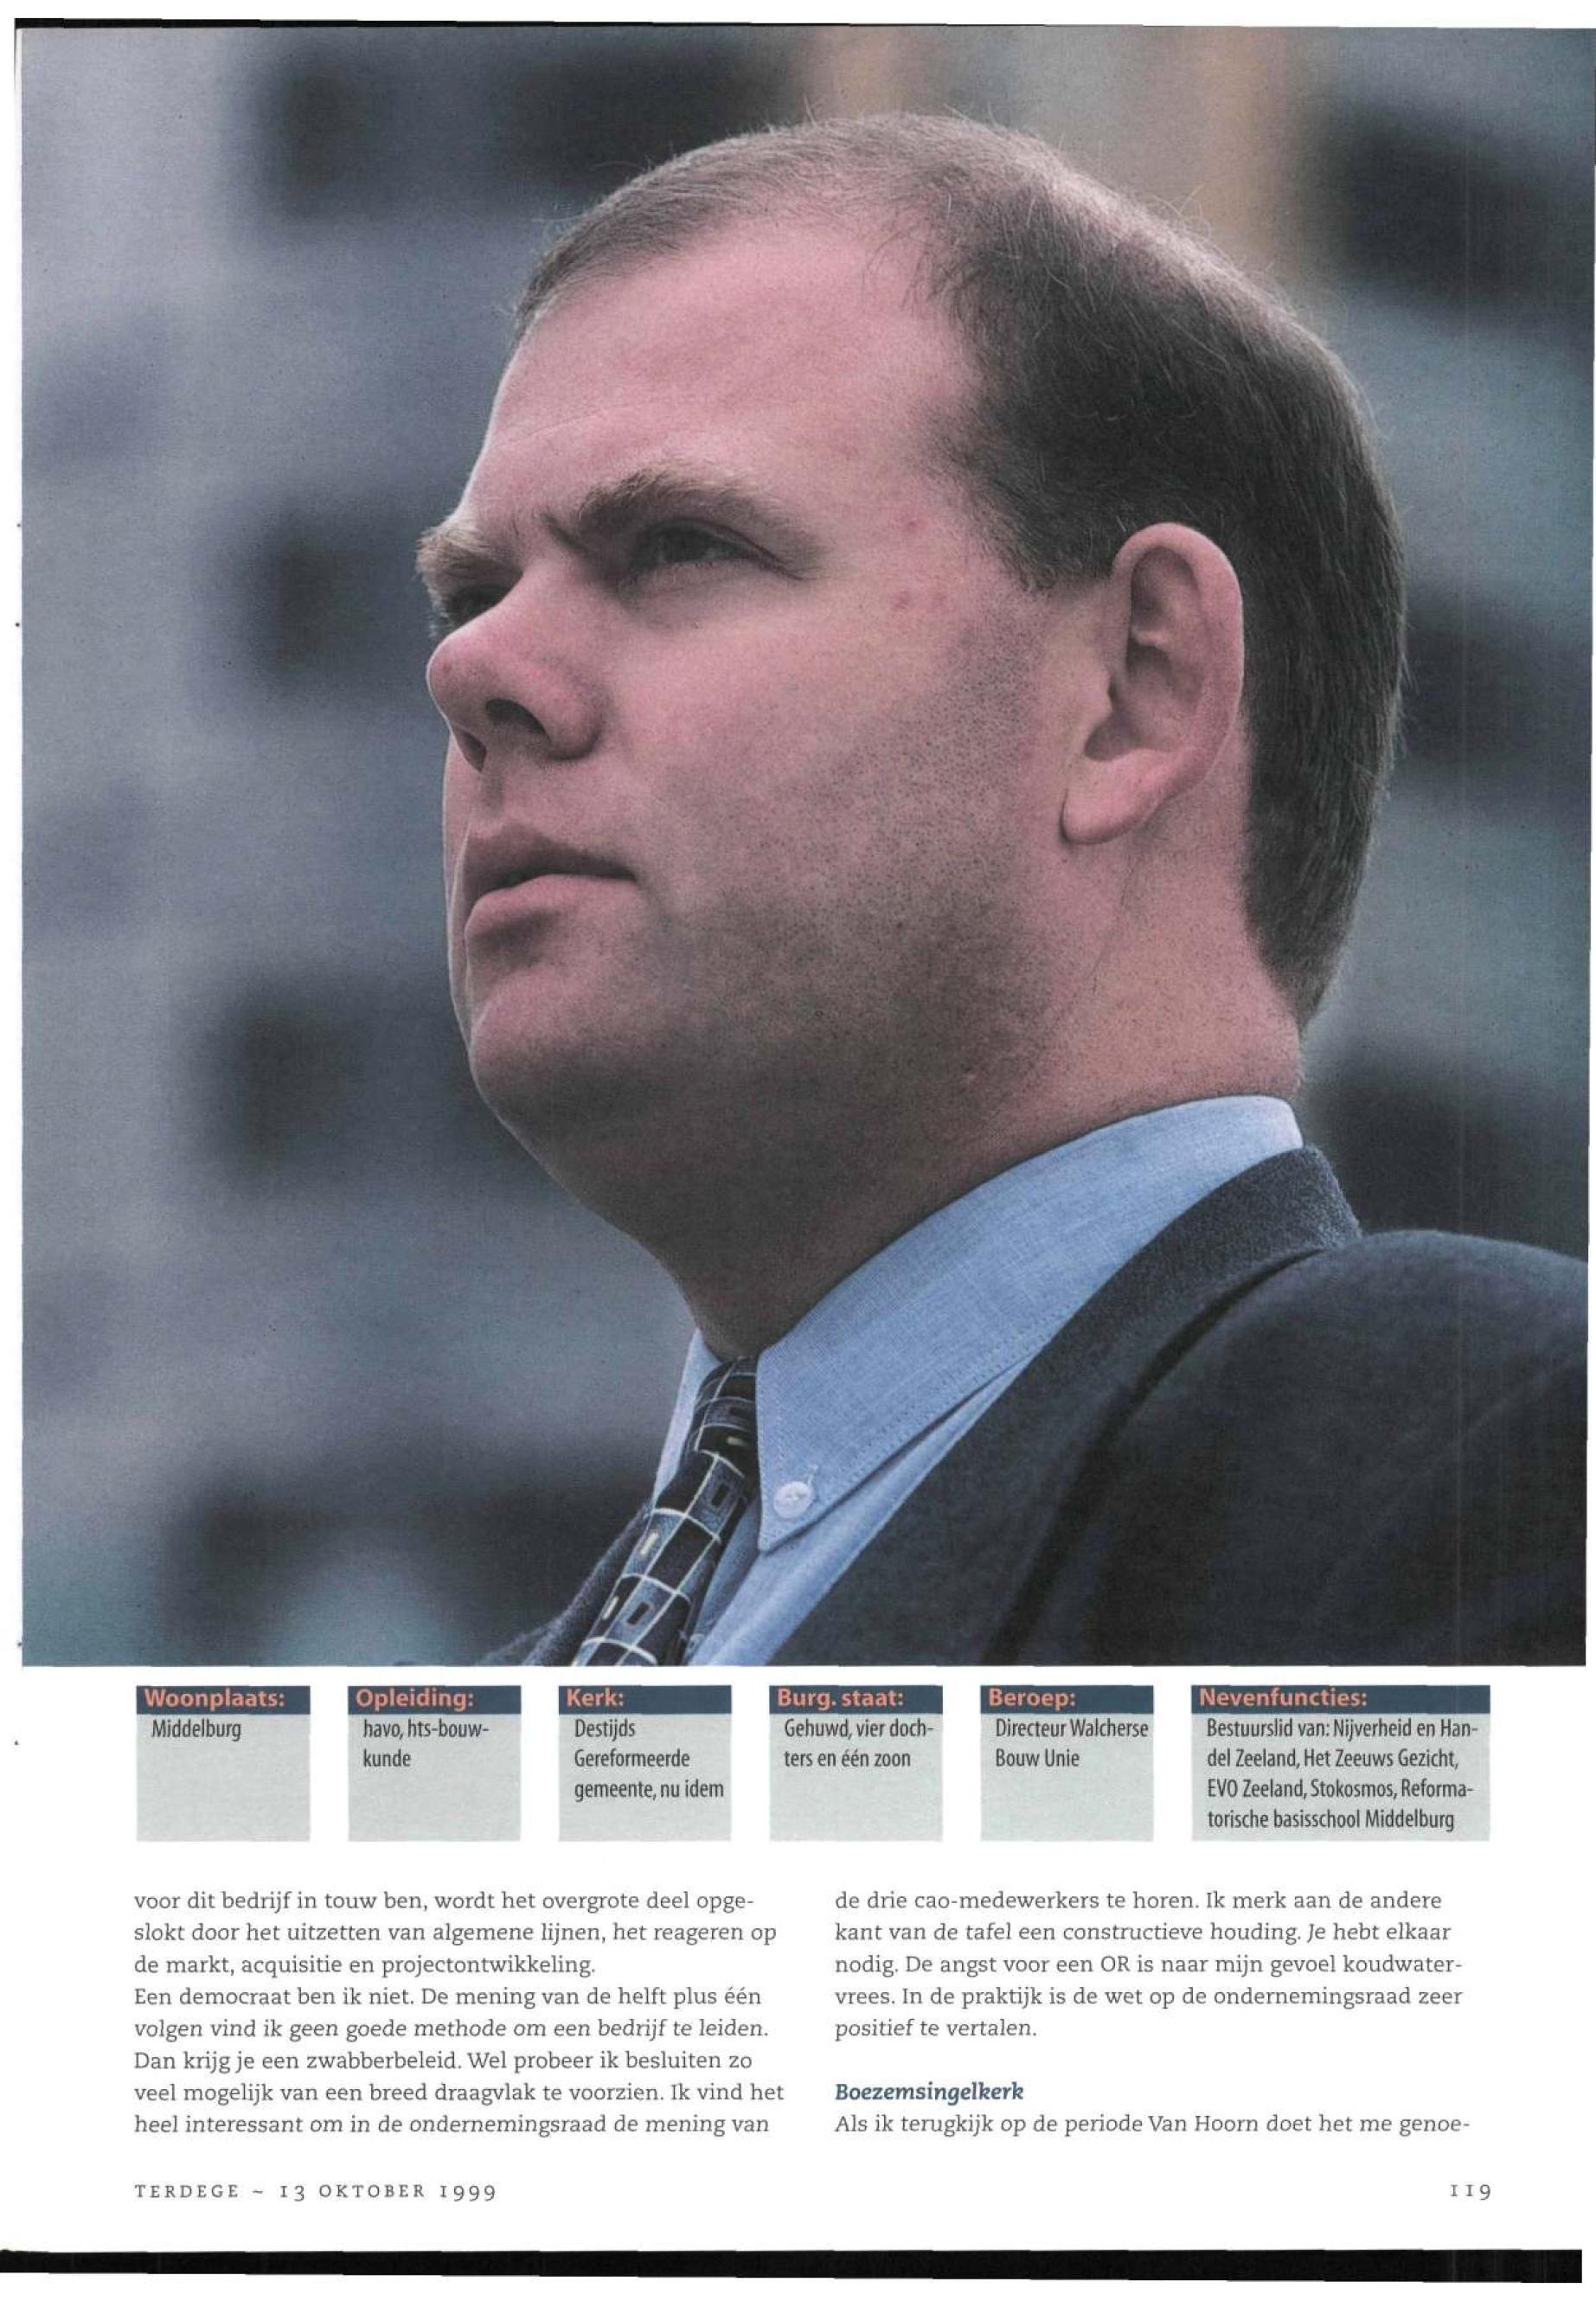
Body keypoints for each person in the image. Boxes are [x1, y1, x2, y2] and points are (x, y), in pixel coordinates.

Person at [417, 115, 1583, 1668]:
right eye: (474, 588)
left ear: (1134, 688)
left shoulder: (1504, 1465)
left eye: (677, 547)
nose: (473, 666)